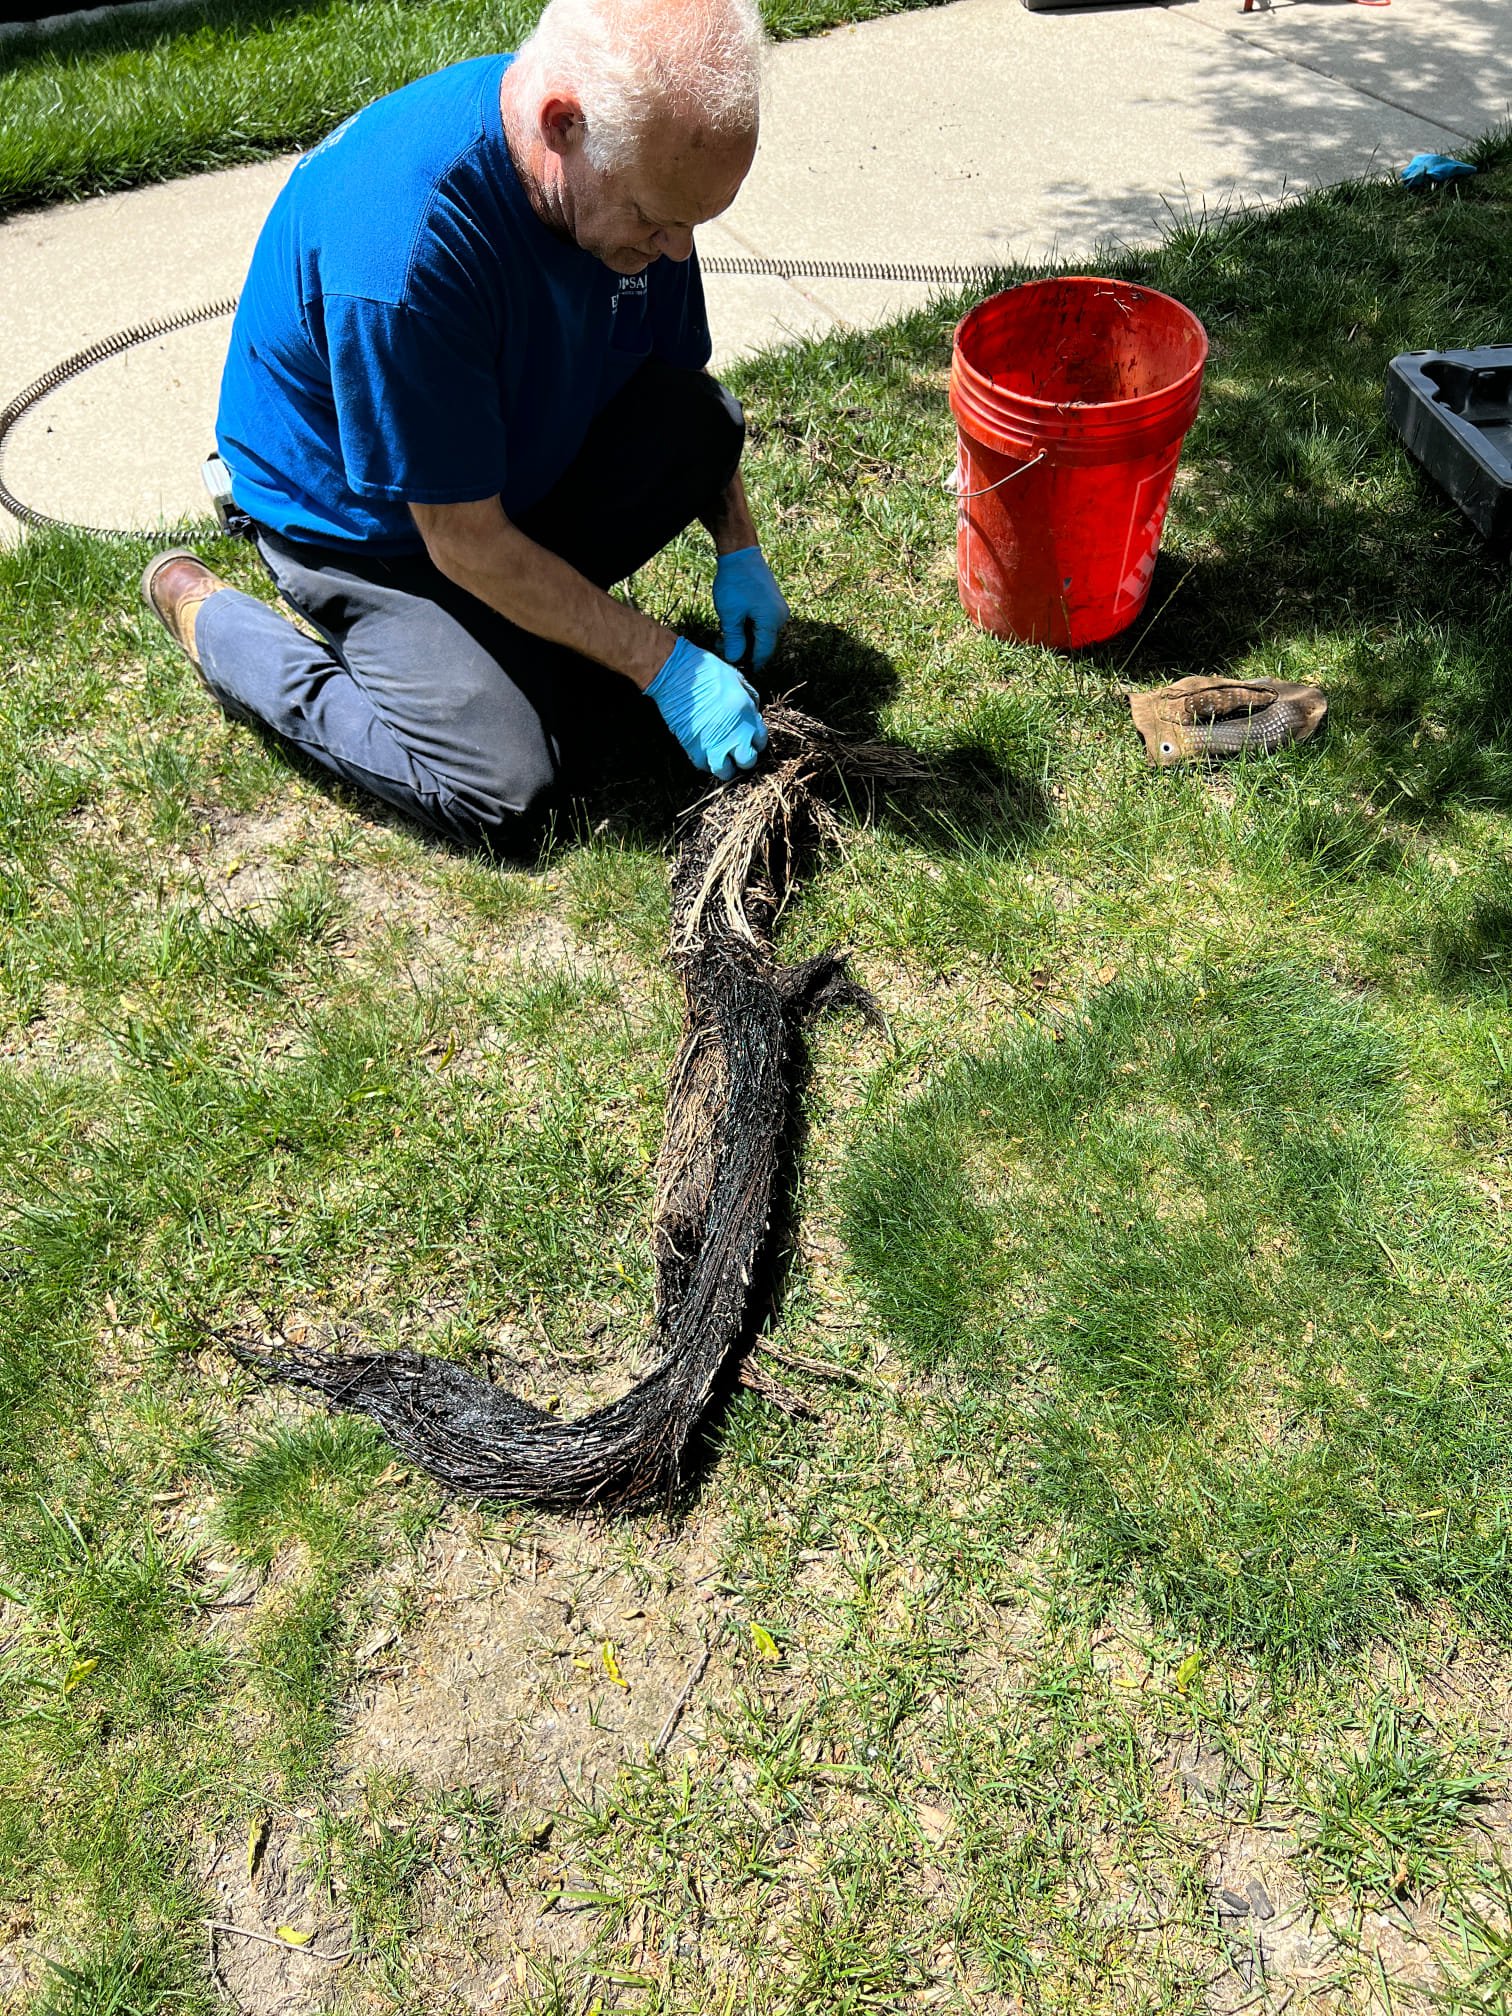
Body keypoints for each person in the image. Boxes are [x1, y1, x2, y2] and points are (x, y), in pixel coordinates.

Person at [141, 0, 789, 852]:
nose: (676, 250)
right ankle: (206, 611)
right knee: (506, 788)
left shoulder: (639, 165)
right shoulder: (405, 255)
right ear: (562, 126)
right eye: (654, 220)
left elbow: (679, 374)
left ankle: (510, 641)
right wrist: (660, 664)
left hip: (496, 459)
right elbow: (461, 541)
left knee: (702, 425)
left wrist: (738, 544)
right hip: (370, 527)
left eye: (693, 221)